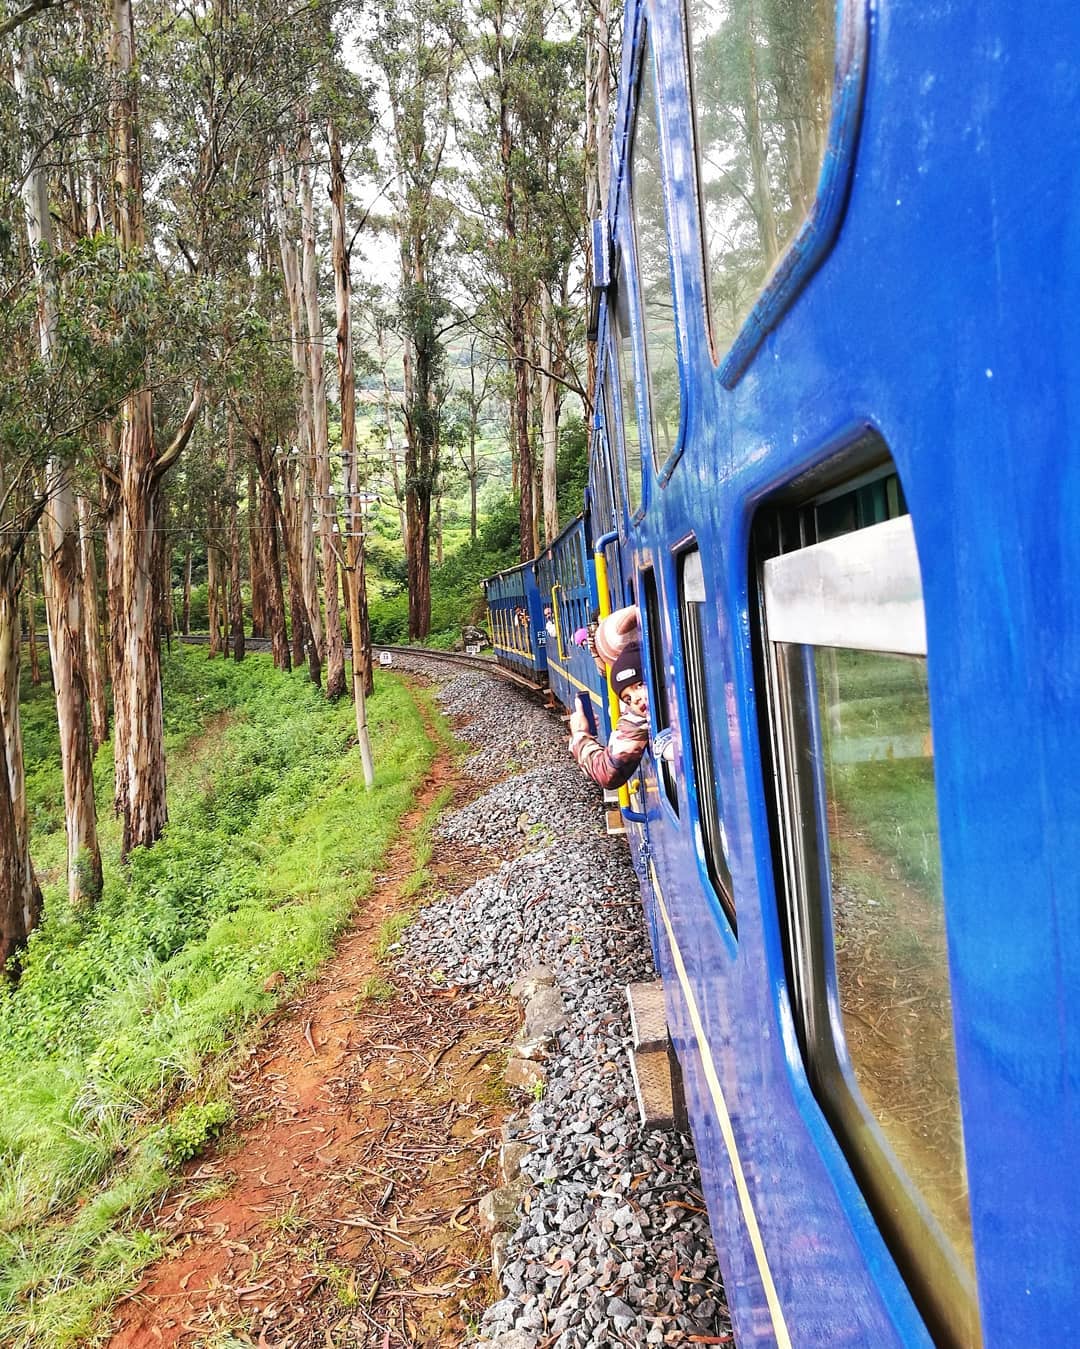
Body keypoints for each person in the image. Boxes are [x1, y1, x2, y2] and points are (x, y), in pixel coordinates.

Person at [568, 642, 651, 789]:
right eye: (628, 699)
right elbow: (608, 772)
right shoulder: (638, 718)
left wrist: (580, 734)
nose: (636, 699)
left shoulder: (640, 718)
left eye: (639, 685)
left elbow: (607, 773)